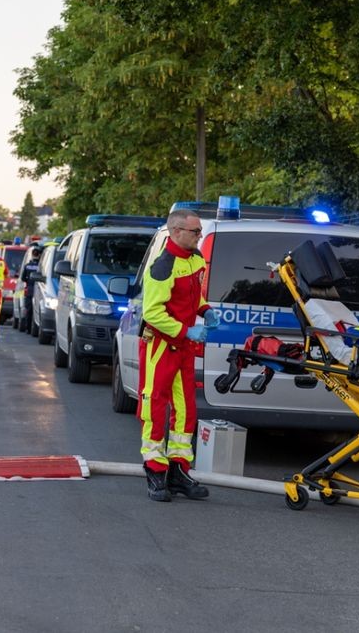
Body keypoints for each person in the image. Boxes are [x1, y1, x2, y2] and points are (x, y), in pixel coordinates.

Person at [137, 209, 220, 502]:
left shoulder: (196, 259)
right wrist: (186, 331)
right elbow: (152, 313)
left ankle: (179, 471)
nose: (199, 236)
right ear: (175, 232)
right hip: (161, 346)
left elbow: (194, 296)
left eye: (200, 231)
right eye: (195, 232)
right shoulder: (163, 266)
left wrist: (206, 311)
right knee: (155, 407)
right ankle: (155, 472)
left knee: (186, 410)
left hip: (184, 347)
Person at [19, 245, 43, 333]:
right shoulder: (41, 266)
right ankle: (35, 328)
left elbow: (22, 278)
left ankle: (28, 328)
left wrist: (28, 281)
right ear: (39, 255)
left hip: (29, 289)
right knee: (36, 310)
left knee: (28, 310)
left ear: (32, 254)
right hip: (38, 290)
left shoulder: (27, 266)